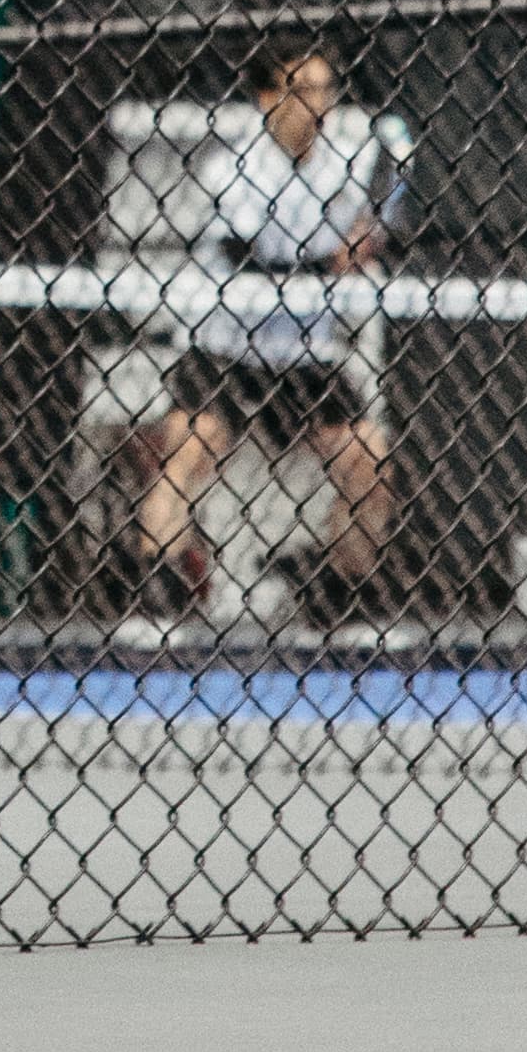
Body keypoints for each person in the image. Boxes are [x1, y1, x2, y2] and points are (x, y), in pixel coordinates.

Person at [118, 35, 400, 632]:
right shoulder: (233, 167)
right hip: (227, 348)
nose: (319, 107)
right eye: (304, 92)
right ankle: (159, 600)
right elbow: (253, 259)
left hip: (303, 354)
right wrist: (333, 258)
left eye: (327, 91)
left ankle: (342, 599)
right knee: (187, 446)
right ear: (270, 98)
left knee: (369, 455)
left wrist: (365, 242)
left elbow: (360, 236)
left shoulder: (345, 168)